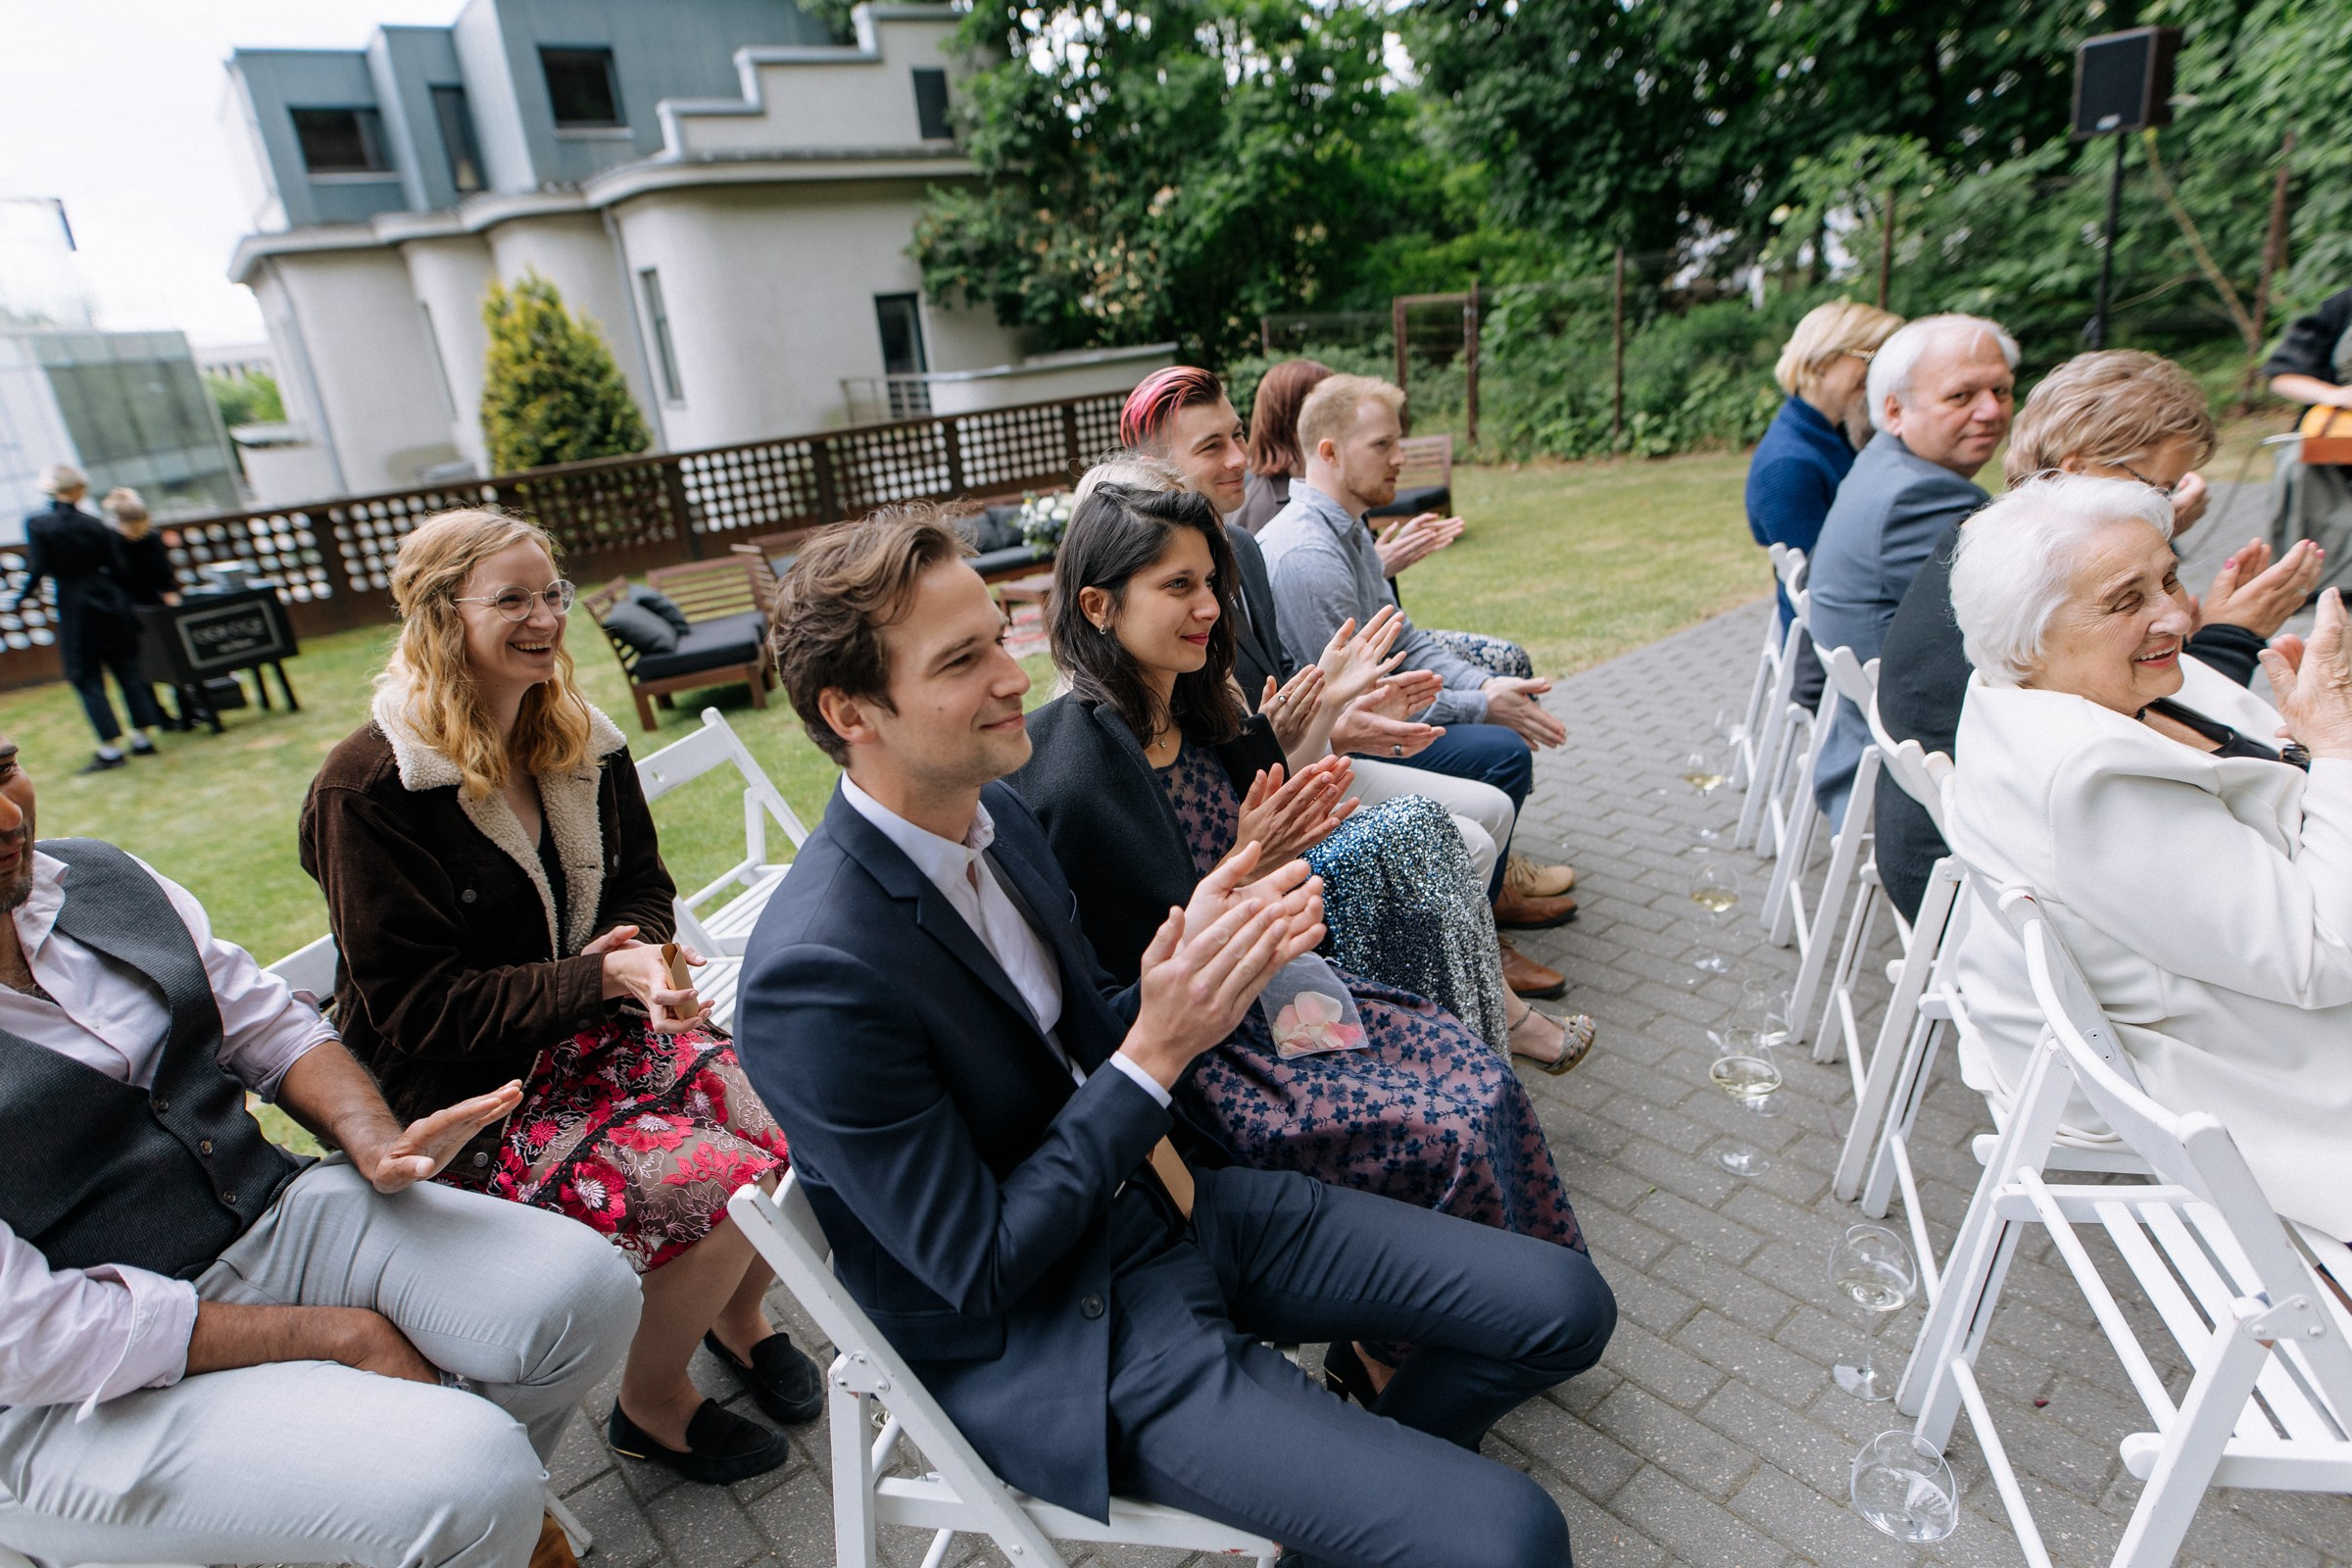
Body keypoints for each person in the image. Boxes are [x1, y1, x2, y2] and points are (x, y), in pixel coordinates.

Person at [742, 507, 1616, 1568]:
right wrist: (1154, 1047)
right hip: (1067, 1328)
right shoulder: (814, 973)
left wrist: (1204, 957)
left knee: (1567, 1306)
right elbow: (978, 1264)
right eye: (962, 660)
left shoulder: (993, 818)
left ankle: (1361, 1503)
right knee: (1517, 1534)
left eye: (1000, 638)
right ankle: (1391, 1511)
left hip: (1175, 1203)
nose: (1016, 676)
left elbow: (1080, 1036)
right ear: (852, 711)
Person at [0, 731, 640, 1568]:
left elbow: (260, 1019)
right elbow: (31, 1338)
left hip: (264, 1217)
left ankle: (448, 1524)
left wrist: (373, 1140)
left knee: (583, 1292)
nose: (11, 816)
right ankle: (466, 1512)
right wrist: (334, 1336)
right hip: (66, 1394)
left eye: (4, 767)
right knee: (464, 1475)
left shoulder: (97, 877)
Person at [299, 510, 816, 1488]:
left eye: (553, 595)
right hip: (467, 1097)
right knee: (710, 1183)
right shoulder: (368, 788)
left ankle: (737, 1322)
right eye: (511, 600)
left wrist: (643, 964)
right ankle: (650, 1407)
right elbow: (418, 1008)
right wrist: (599, 975)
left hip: (589, 1039)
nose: (543, 619)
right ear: (439, 615)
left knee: (790, 1106)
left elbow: (645, 887)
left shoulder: (582, 738)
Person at [1018, 478, 1597, 1085]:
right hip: (1225, 1021)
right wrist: (1256, 852)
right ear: (1098, 605)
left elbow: (1265, 789)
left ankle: (1489, 1034)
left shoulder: (1193, 697)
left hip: (1276, 940)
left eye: (1211, 583)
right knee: (1458, 1087)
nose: (1212, 607)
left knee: (1435, 839)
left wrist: (1322, 712)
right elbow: (1157, 958)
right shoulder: (1077, 766)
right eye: (1179, 585)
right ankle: (1491, 1037)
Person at [1940, 473, 2352, 1244]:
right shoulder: (2091, 775)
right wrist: (2335, 746)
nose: (2174, 613)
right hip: (2249, 1060)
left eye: (2168, 578)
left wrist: (2318, 747)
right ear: (2030, 633)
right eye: (2127, 600)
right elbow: (2322, 958)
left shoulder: (2050, 684)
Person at [1103, 388, 1572, 992]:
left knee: (1489, 807)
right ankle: (1464, 984)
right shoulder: (1274, 560)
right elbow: (1221, 765)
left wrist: (1333, 717)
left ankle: (1473, 968)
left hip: (1296, 765)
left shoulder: (1245, 549)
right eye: (1211, 445)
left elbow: (1294, 698)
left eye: (1238, 435)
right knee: (1477, 812)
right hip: (1262, 808)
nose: (1239, 458)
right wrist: (1334, 719)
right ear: (1155, 471)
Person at [1874, 350, 2321, 918]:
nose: (2174, 504)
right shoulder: (2025, 595)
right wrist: (2234, 636)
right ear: (2076, 470)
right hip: (1990, 896)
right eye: (2158, 487)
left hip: (1978, 866)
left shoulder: (1994, 551)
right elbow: (2145, 733)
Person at [1257, 374, 1577, 924]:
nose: (1400, 458)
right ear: (1329, 452)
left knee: (1501, 688)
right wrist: (1482, 707)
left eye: (1397, 442)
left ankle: (1486, 907)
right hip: (1336, 747)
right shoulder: (1307, 553)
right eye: (1383, 444)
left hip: (1373, 714)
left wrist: (1483, 687)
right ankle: (1485, 927)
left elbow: (1405, 637)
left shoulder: (1349, 527)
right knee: (1503, 753)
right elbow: (1362, 702)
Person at [1805, 314, 2017, 826]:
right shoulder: (1921, 497)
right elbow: (2023, 636)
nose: (1991, 410)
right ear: (1895, 410)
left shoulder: (1888, 464)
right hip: (1911, 784)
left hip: (1871, 750)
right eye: (1961, 396)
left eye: (2002, 390)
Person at [1746, 301, 1905, 709]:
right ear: (1820, 364)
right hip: (1831, 664)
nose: (1885, 373)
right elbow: (1827, 590)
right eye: (1874, 357)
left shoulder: (1832, 436)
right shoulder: (1790, 464)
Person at [6, 464, 164, 772]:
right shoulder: (95, 524)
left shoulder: (39, 524)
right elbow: (118, 569)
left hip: (76, 606)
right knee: (127, 669)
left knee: (85, 675)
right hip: (110, 601)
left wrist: (20, 598)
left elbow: (38, 569)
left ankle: (110, 748)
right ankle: (143, 738)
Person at [2262, 283, 2352, 595]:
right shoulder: (2341, 306)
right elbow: (2283, 376)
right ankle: (2314, 576)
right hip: (2340, 420)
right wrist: (2335, 395)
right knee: (2297, 460)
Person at [102, 486, 191, 731]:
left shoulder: (152, 538)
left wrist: (170, 595)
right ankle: (158, 717)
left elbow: (164, 573)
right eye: (134, 528)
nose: (138, 532)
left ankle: (188, 711)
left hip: (155, 604)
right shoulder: (110, 542)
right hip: (127, 610)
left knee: (174, 659)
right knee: (141, 667)